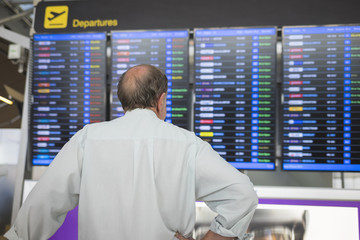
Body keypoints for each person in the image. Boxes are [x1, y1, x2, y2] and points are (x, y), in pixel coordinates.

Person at [5, 64, 258, 240]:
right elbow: (242, 195)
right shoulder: (187, 144)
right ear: (161, 101)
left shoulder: (88, 139)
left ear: (123, 102)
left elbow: (44, 202)